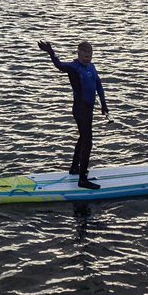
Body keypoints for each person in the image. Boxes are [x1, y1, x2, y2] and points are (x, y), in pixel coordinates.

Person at [38, 39, 109, 189]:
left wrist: (104, 104)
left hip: (89, 109)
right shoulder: (74, 67)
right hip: (80, 109)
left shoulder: (92, 67)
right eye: (84, 56)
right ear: (78, 54)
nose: (87, 59)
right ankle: (82, 180)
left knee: (83, 138)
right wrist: (50, 52)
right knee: (87, 142)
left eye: (89, 56)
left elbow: (98, 85)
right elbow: (59, 65)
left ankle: (74, 169)